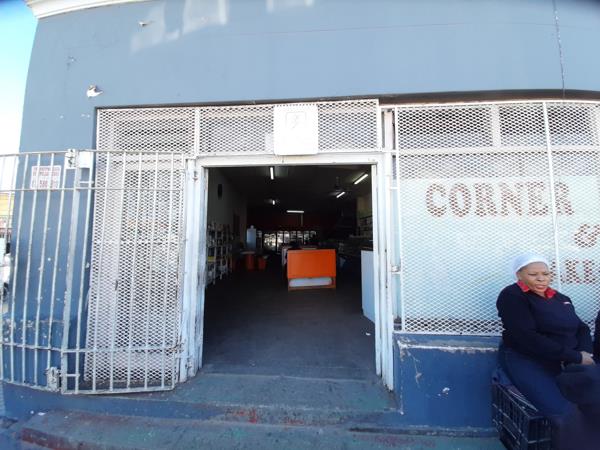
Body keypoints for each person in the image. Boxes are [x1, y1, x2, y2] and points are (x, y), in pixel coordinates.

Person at [497, 253, 599, 449]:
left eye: (545, 274)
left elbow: (581, 328)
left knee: (593, 402)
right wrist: (575, 356)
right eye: (533, 274)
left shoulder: (561, 298)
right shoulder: (512, 296)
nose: (541, 279)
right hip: (527, 359)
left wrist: (585, 355)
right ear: (519, 275)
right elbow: (527, 337)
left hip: (565, 358)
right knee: (562, 414)